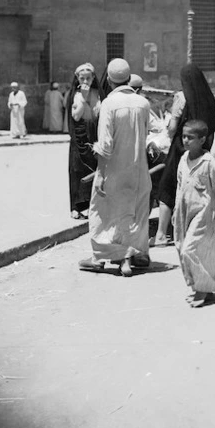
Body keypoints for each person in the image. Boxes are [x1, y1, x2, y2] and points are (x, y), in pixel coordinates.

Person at [78, 58, 152, 277]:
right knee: (132, 214)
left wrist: (100, 174)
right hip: (138, 170)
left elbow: (105, 144)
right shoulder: (143, 104)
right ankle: (130, 258)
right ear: (129, 79)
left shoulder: (109, 104)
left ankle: (101, 259)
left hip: (114, 171)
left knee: (104, 213)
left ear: (109, 80)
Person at [151, 63, 215, 247]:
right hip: (201, 151)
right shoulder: (209, 99)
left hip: (181, 149)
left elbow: (173, 128)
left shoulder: (181, 97)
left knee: (167, 188)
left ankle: (161, 235)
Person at [173, 119, 215, 307]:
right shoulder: (183, 159)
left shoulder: (208, 163)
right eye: (184, 137)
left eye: (191, 137)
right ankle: (202, 285)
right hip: (184, 211)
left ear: (203, 140)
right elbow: (180, 186)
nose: (186, 141)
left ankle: (203, 289)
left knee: (191, 249)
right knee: (183, 248)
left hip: (203, 214)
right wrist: (175, 211)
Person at [66, 63, 101, 220]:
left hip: (93, 137)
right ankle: (75, 207)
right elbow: (76, 116)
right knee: (76, 171)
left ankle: (89, 206)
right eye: (82, 78)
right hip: (79, 138)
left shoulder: (98, 94)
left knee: (92, 171)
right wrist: (84, 98)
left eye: (88, 78)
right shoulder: (76, 94)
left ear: (93, 78)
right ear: (77, 78)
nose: (85, 81)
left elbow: (98, 114)